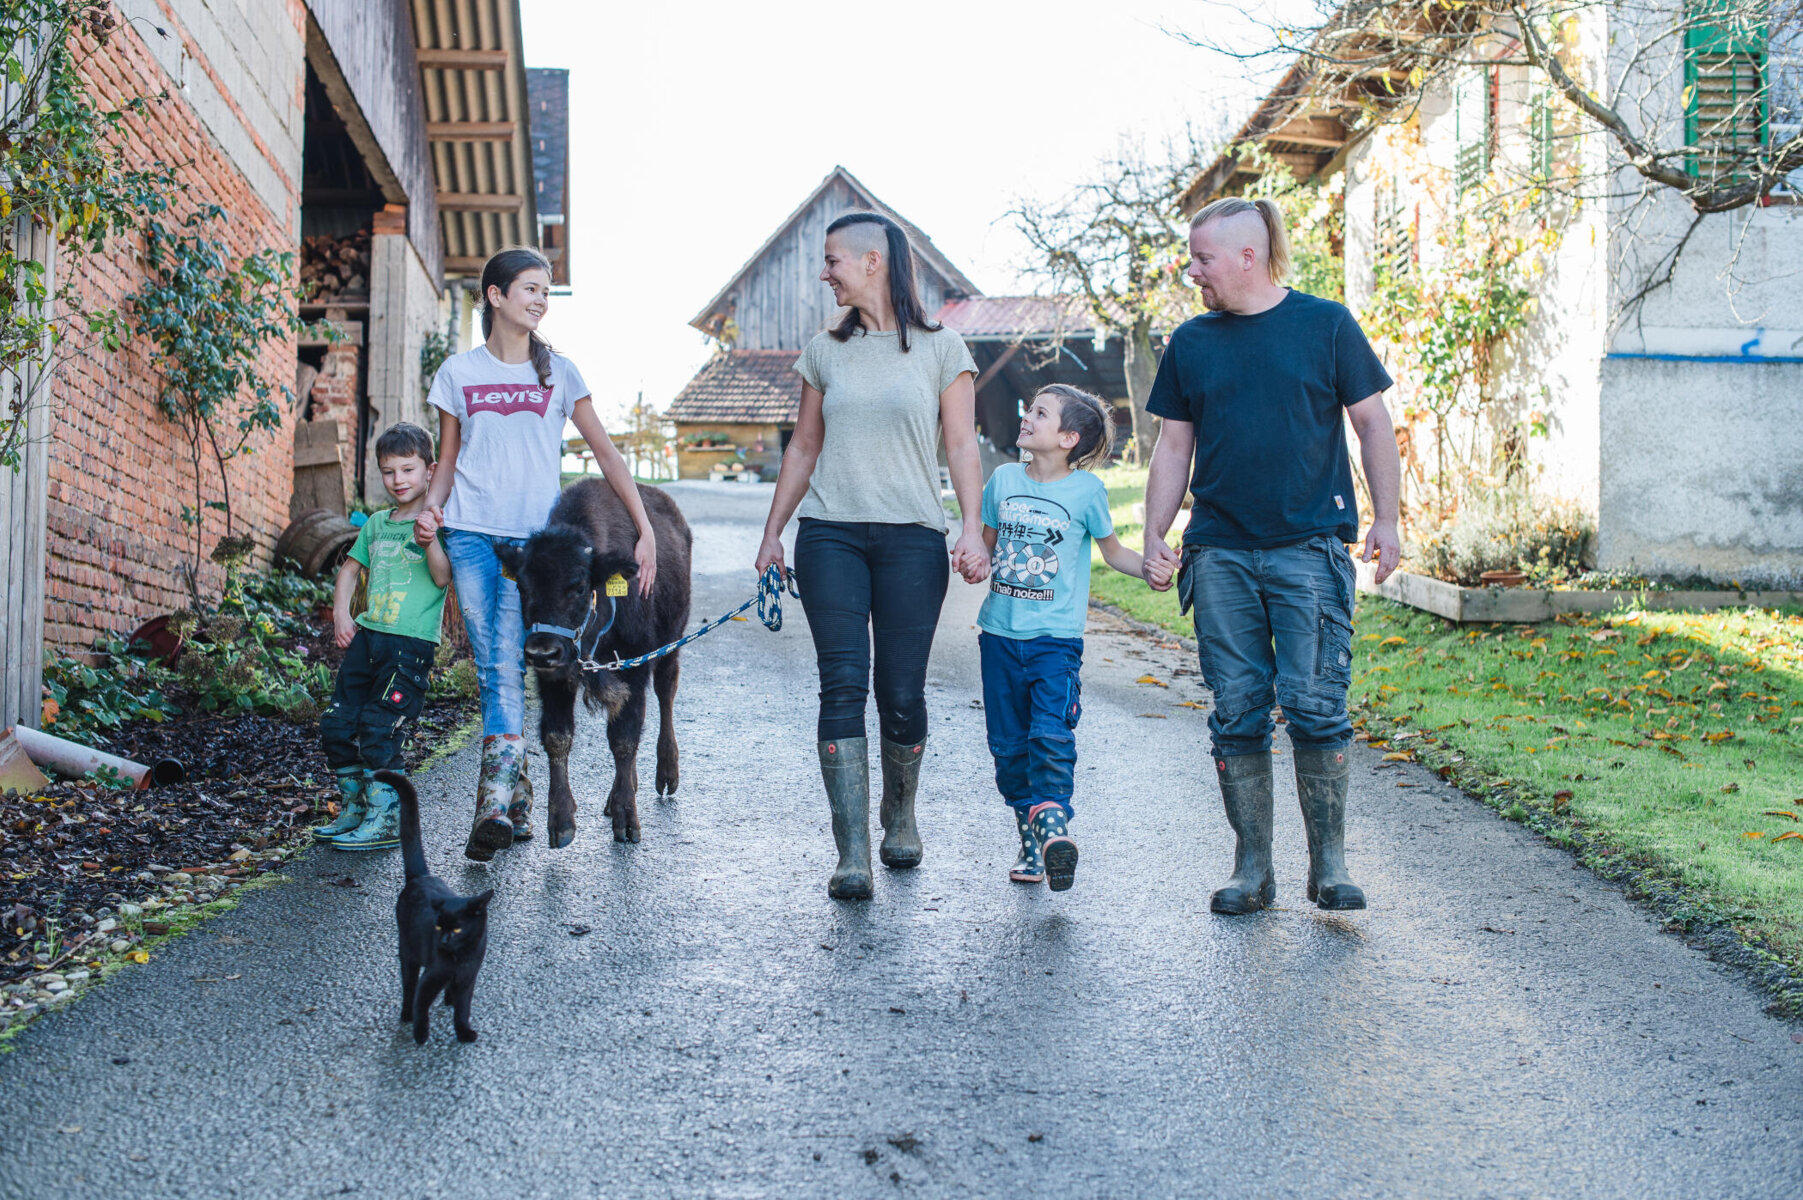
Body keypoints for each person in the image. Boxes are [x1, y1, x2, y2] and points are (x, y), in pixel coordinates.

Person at [1141, 196, 1403, 916]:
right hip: (1219, 552)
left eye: (1202, 258)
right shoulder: (1191, 343)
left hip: (1308, 549)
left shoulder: (1324, 326)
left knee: (1317, 707)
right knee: (1237, 711)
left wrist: (1387, 519)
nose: (1193, 271)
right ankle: (1252, 867)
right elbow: (1172, 446)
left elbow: (1372, 424)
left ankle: (1330, 865)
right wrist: (1155, 533)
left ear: (1247, 257)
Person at [754, 211, 989, 901]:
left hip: (913, 536)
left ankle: (899, 811)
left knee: (901, 692)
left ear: (872, 262)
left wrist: (971, 527)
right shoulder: (824, 349)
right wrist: (773, 533)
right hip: (830, 533)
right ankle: (851, 852)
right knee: (841, 684)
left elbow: (962, 445)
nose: (823, 272)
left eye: (832, 260)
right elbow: (802, 446)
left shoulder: (944, 348)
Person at [414, 247, 659, 862]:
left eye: (546, 292)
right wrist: (431, 508)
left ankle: (499, 798)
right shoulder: (457, 373)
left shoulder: (560, 374)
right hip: (472, 536)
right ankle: (508, 795)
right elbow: (447, 459)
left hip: (536, 551)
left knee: (515, 659)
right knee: (497, 662)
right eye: (529, 288)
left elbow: (605, 454)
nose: (540, 300)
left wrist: (643, 525)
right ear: (495, 296)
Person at [978, 385, 1150, 892]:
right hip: (998, 637)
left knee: (1050, 735)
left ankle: (1055, 833)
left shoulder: (1087, 492)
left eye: (1039, 413)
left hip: (1055, 640)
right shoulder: (1003, 480)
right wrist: (971, 558)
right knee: (1008, 748)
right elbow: (985, 546)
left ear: (1069, 438)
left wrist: (1154, 570)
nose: (1026, 417)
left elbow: (1114, 552)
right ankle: (1032, 839)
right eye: (1028, 408)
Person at [314, 422, 452, 851]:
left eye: (408, 470)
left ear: (430, 470)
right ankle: (355, 810)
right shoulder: (376, 523)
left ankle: (388, 818)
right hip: (368, 639)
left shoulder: (437, 522)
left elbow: (444, 576)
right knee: (338, 724)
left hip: (409, 646)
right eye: (389, 472)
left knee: (380, 728)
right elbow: (350, 570)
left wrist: (428, 538)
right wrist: (342, 614)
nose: (398, 481)